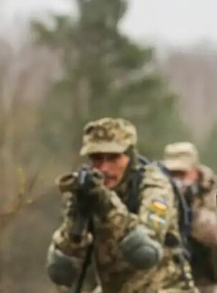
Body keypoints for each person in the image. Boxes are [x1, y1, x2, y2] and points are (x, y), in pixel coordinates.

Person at [45, 117, 197, 293]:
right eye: (97, 159)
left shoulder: (154, 185)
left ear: (130, 157)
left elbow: (145, 252)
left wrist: (107, 206)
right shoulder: (89, 189)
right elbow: (61, 270)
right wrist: (76, 217)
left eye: (113, 158)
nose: (104, 168)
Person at [163, 141, 217, 292]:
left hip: (204, 274)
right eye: (172, 174)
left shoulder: (211, 189)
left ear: (195, 171)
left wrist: (190, 208)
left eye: (182, 174)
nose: (177, 180)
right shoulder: (157, 188)